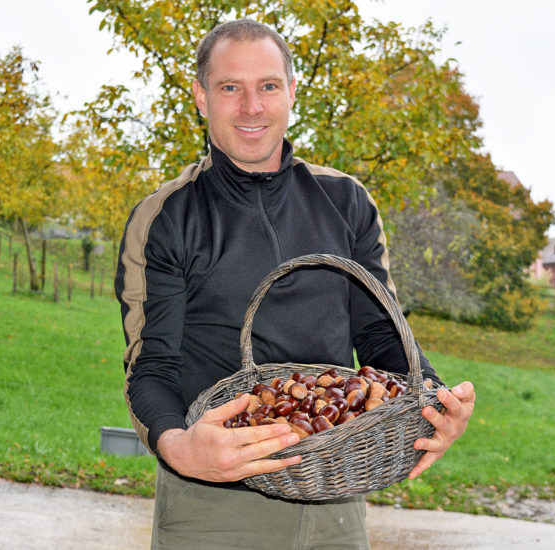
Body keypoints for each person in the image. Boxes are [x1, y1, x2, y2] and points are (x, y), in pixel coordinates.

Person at [114, 18, 475, 550]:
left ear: (291, 92)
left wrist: (435, 405)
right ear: (200, 97)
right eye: (229, 87)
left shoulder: (347, 201)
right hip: (214, 505)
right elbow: (152, 368)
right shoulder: (166, 216)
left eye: (268, 86)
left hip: (335, 498)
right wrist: (178, 446)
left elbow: (382, 339)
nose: (251, 107)